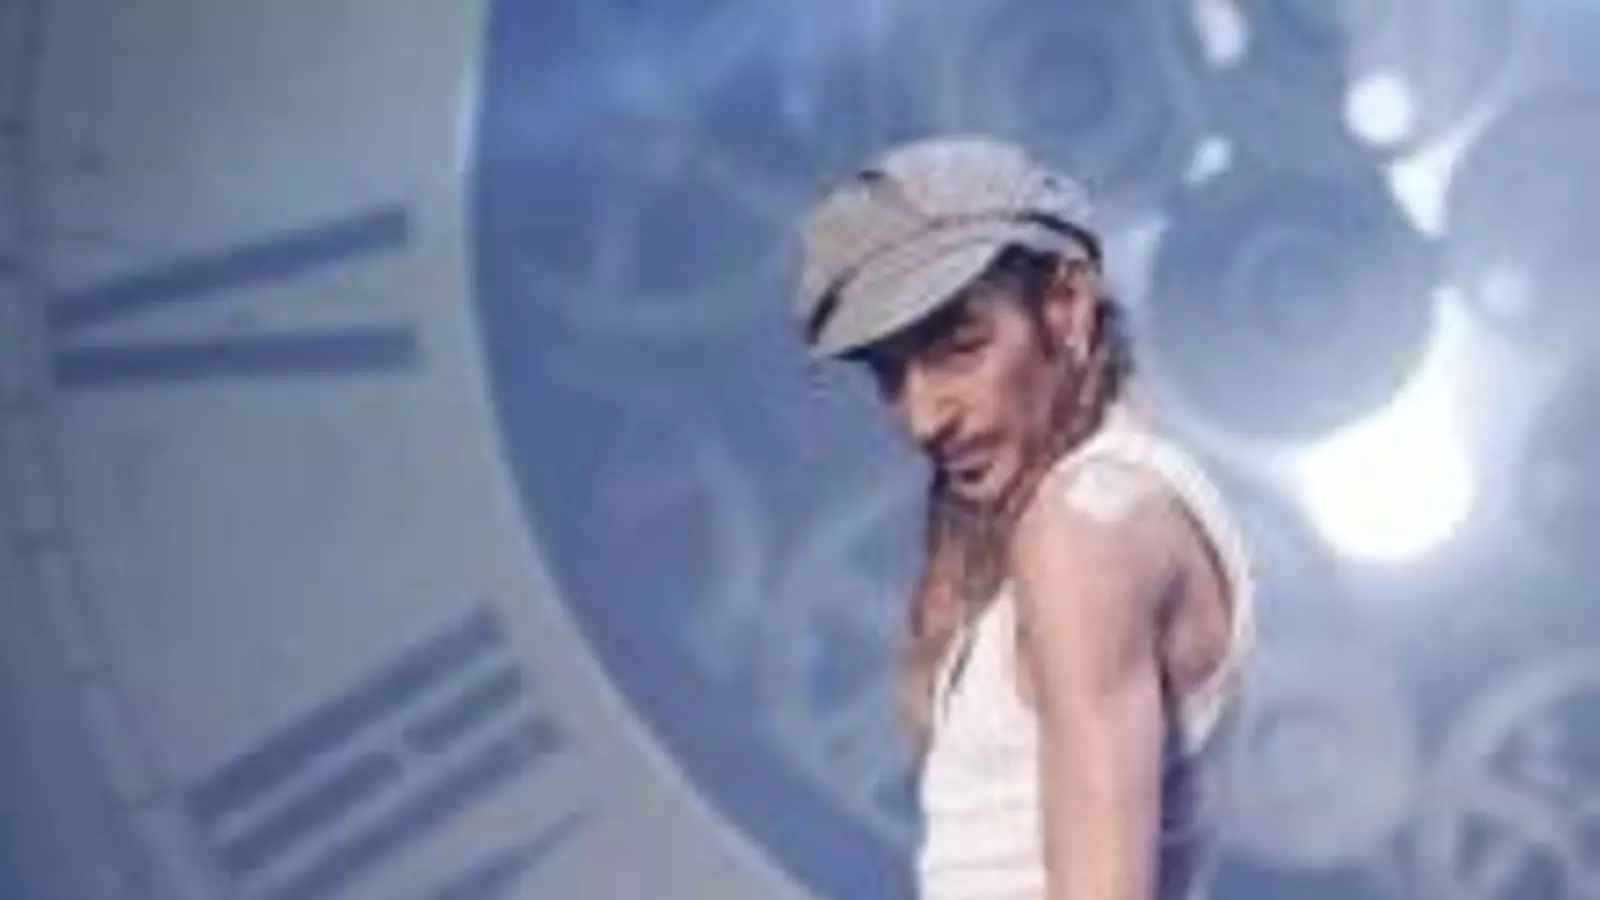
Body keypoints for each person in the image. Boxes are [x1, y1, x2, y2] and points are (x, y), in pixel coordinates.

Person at [795, 137, 1255, 900]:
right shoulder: (1101, 507)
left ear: (1067, 304)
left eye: (958, 349)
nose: (922, 418)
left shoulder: (1086, 529)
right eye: (889, 375)